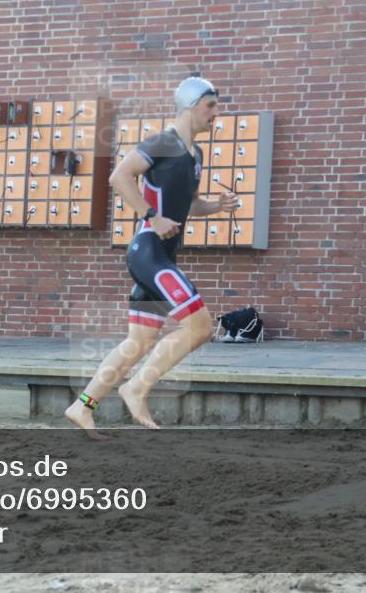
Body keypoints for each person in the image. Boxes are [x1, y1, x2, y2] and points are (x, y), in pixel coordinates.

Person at [65, 77, 238, 439]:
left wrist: (216, 207)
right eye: (211, 106)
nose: (217, 113)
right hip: (149, 253)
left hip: (159, 256)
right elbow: (120, 176)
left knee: (139, 342)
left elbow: (189, 205)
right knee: (201, 327)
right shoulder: (164, 143)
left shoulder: (196, 155)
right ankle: (136, 388)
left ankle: (83, 405)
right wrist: (150, 216)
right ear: (191, 106)